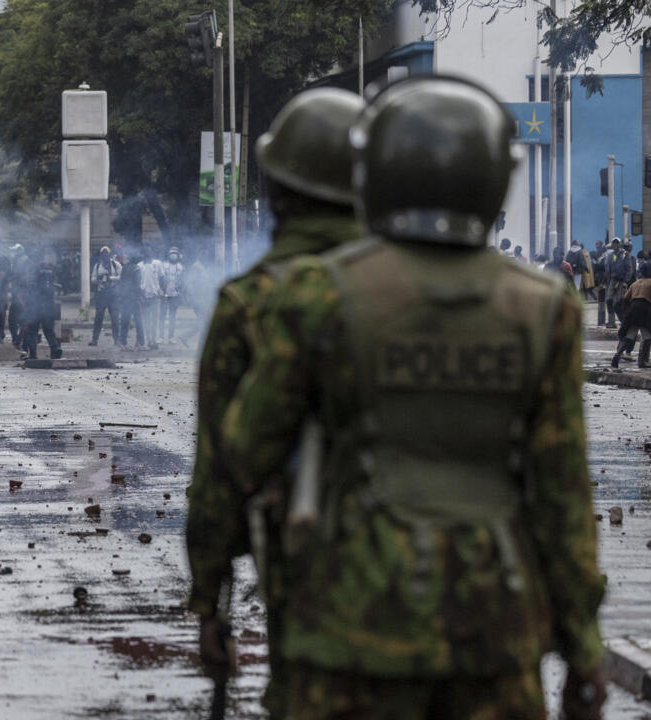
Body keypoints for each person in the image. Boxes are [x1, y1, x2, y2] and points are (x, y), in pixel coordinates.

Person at [222, 76, 606, 720]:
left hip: (349, 634)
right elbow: (563, 497)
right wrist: (583, 647)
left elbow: (245, 448)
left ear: (376, 176)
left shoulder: (318, 294)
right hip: (493, 639)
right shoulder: (545, 310)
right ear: (494, 181)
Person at [187, 87, 365, 720]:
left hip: (310, 573)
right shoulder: (428, 293)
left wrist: (211, 604)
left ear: (278, 191)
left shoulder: (251, 300)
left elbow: (220, 470)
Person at [21, 254, 63, 360]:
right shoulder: (50, 273)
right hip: (49, 307)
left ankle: (33, 354)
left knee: (32, 331)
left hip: (36, 307)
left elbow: (30, 289)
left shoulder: (34, 272)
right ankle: (55, 349)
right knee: (49, 330)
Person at [612, 262, 651, 368]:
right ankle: (642, 362)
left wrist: (626, 312)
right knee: (647, 337)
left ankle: (617, 355)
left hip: (632, 309)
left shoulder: (635, 283)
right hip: (645, 310)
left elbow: (625, 298)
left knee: (629, 336)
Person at [89, 245, 121, 345]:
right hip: (101, 293)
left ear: (109, 255)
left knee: (115, 318)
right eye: (103, 254)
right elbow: (92, 279)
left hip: (113, 293)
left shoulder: (116, 264)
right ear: (101, 256)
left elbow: (121, 276)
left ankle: (117, 340)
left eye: (106, 254)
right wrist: (99, 279)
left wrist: (111, 278)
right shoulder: (97, 266)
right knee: (98, 317)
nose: (105, 256)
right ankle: (94, 339)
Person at [115, 250, 146, 348]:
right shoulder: (136, 269)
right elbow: (137, 285)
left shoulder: (124, 267)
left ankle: (122, 343)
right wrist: (141, 295)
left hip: (125, 298)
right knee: (139, 322)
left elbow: (121, 283)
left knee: (125, 321)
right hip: (134, 298)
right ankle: (140, 343)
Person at [139, 251, 164, 348]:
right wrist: (141, 295)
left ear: (151, 255)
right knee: (146, 320)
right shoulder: (140, 266)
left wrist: (161, 291)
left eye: (148, 254)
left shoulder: (157, 264)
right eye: (145, 254)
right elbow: (138, 281)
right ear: (143, 255)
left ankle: (154, 340)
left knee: (155, 319)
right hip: (144, 296)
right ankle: (148, 340)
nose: (147, 256)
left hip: (155, 296)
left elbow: (162, 278)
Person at [161, 247, 185, 343]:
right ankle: (161, 337)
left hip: (175, 295)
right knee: (162, 316)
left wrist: (180, 290)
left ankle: (171, 337)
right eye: (172, 254)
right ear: (168, 255)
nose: (173, 256)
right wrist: (161, 289)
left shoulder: (180, 267)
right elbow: (160, 278)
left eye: (175, 254)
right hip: (164, 294)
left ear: (178, 256)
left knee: (172, 316)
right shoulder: (163, 265)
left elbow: (182, 280)